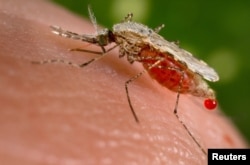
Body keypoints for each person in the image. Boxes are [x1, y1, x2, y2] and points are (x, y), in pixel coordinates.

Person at [0, 0, 247, 164]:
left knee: (137, 81)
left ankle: (194, 135)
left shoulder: (123, 37)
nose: (103, 41)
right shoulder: (122, 35)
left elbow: (114, 48)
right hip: (161, 59)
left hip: (171, 66)